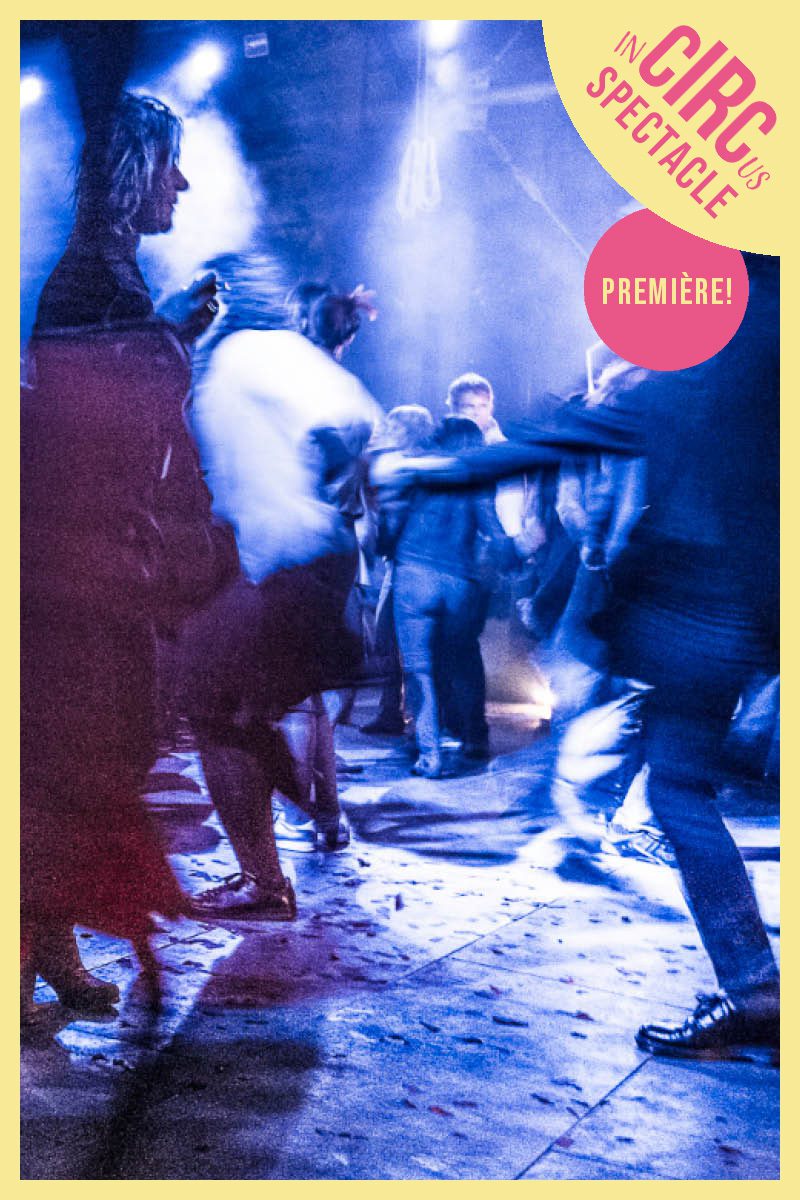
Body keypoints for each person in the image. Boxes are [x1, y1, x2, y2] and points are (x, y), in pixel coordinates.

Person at [22, 90, 229, 1022]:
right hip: (68, 566)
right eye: (170, 163)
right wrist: (169, 339)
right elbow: (86, 415)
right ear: (133, 167)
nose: (182, 183)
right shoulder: (90, 273)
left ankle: (50, 944)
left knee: (86, 763)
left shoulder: (109, 271)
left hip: (94, 559)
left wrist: (167, 336)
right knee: (58, 765)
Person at [181, 259, 379, 912]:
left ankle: (270, 874)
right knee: (235, 709)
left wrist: (308, 495)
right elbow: (357, 423)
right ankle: (303, 823)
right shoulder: (266, 356)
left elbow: (350, 427)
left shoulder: (253, 353)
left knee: (213, 706)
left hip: (291, 565)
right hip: (295, 561)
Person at [389, 416, 523, 778]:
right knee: (463, 659)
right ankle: (475, 738)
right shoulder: (476, 480)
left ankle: (430, 755)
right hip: (459, 579)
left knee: (419, 668)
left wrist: (385, 548)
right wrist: (513, 565)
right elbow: (495, 532)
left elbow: (392, 522)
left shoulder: (421, 473)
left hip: (414, 574)